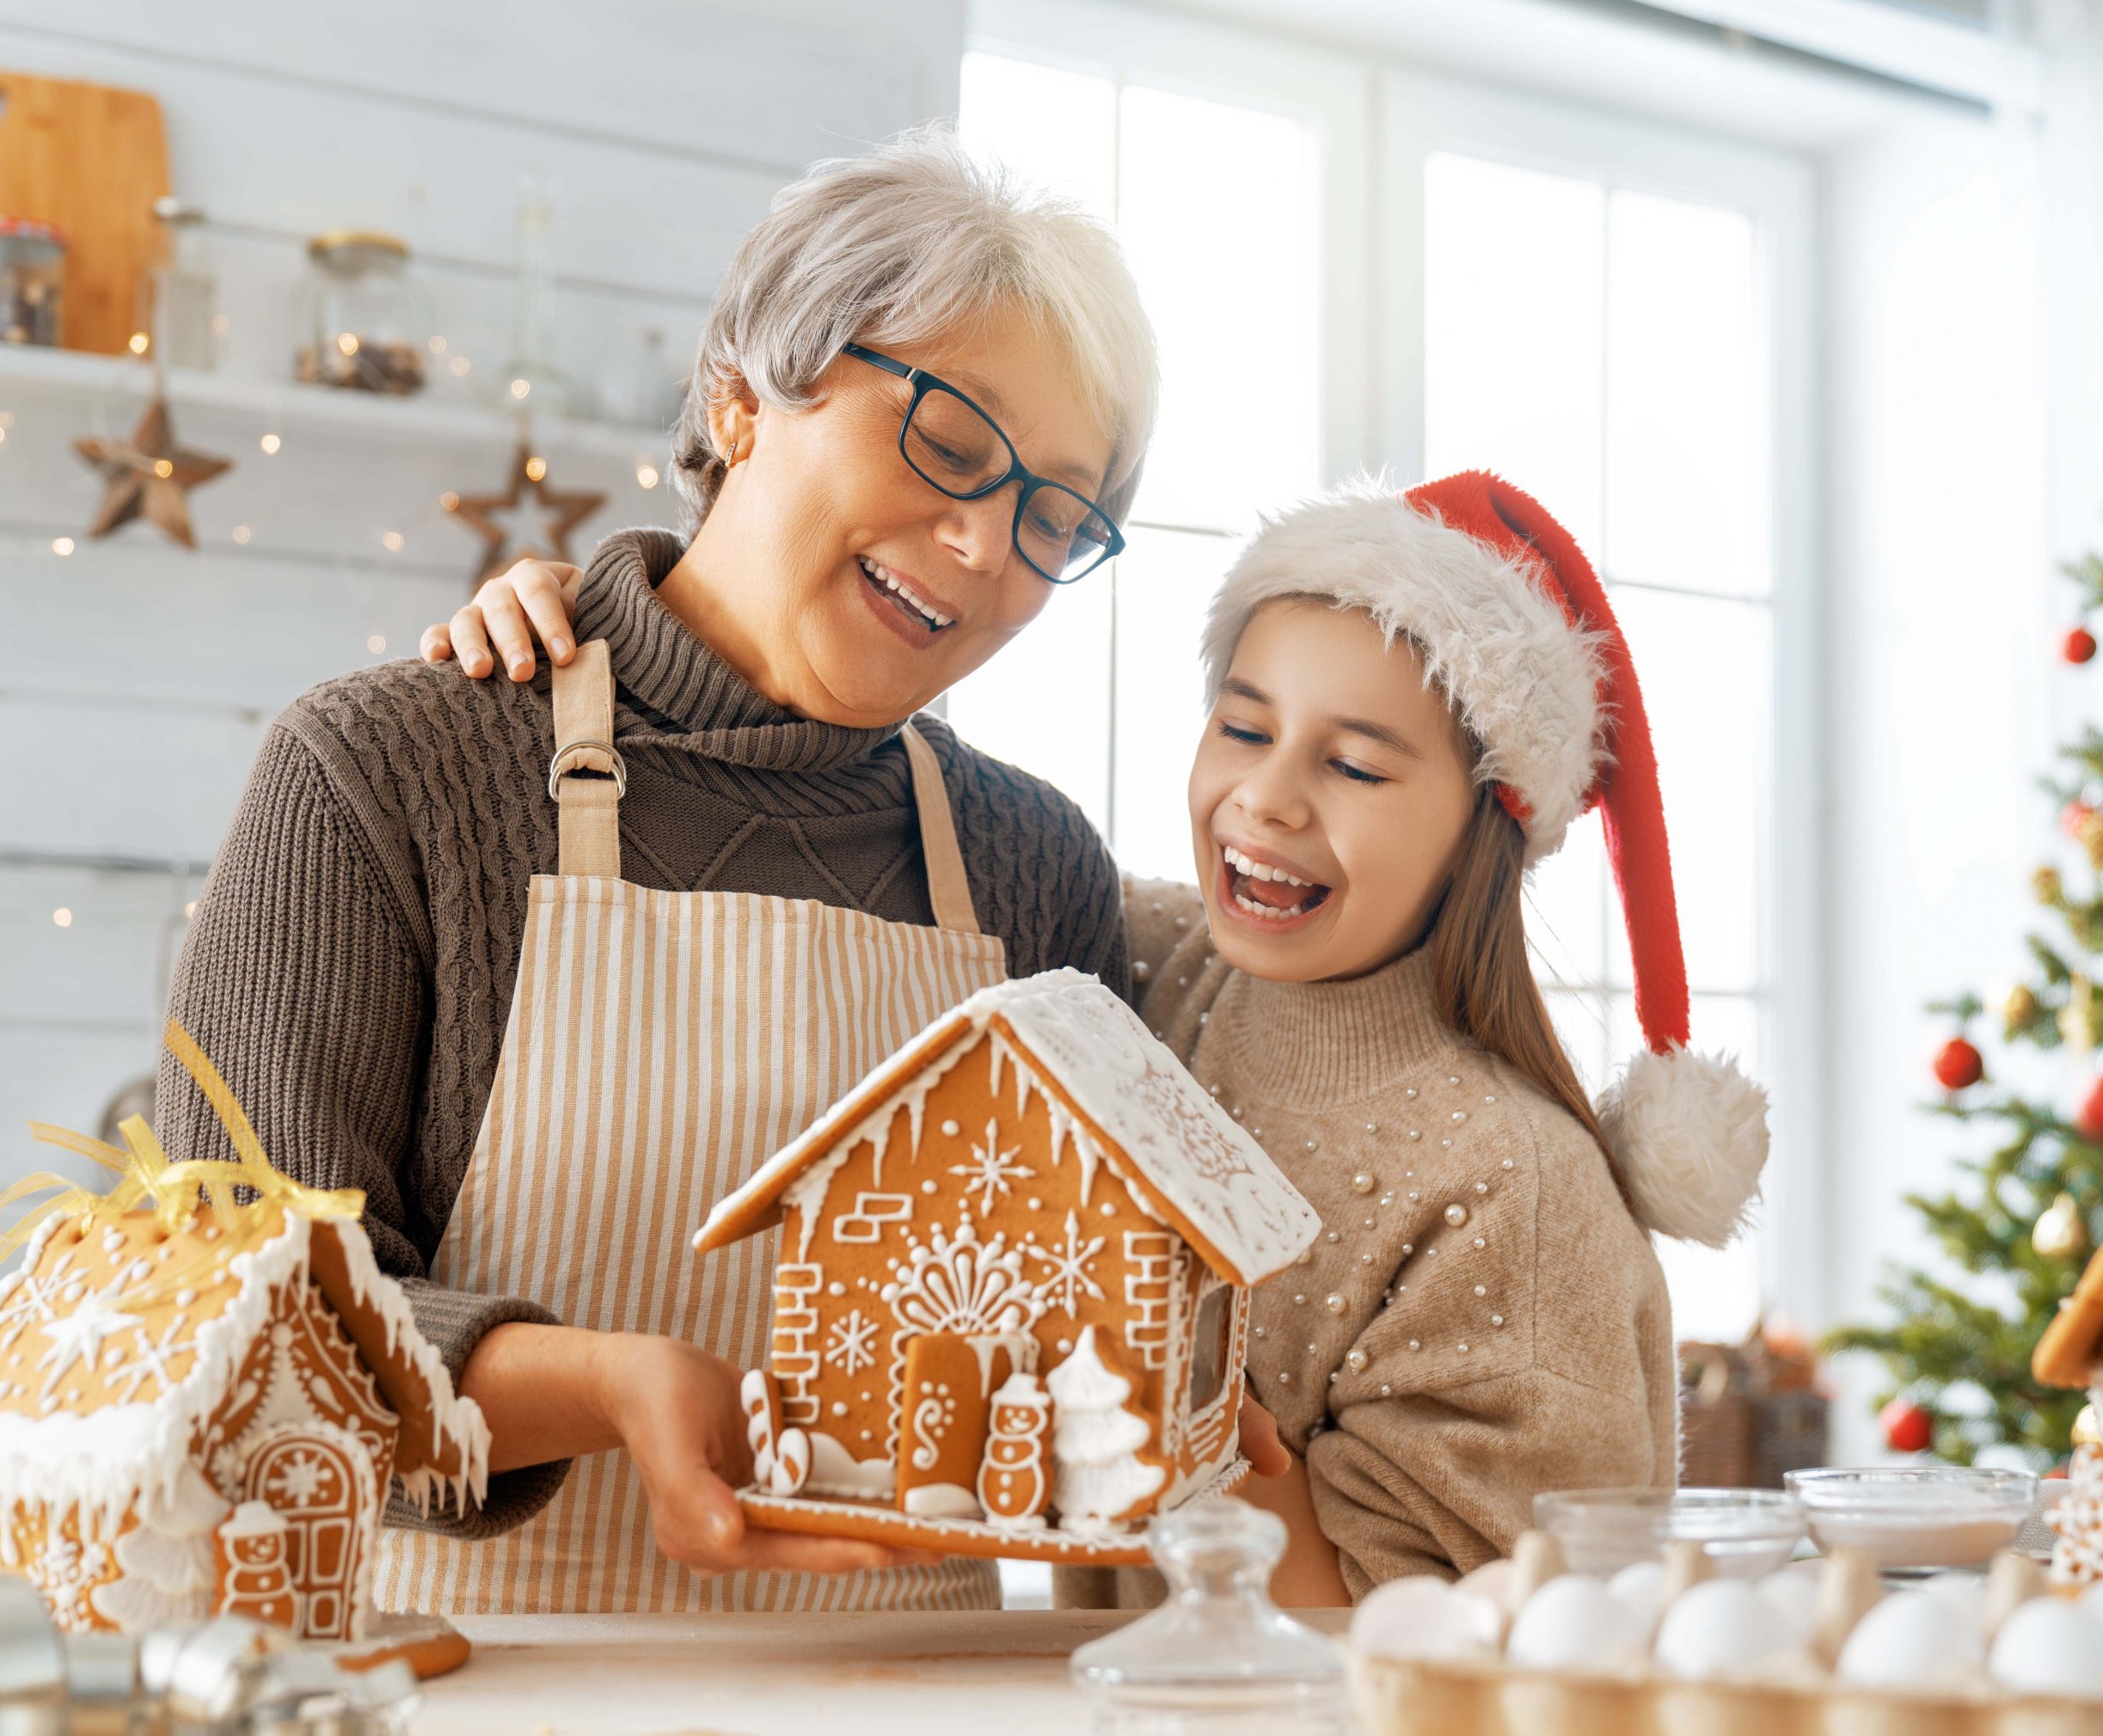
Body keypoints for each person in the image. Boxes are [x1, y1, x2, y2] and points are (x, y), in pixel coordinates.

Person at [156, 124, 1270, 1617]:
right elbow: (240, 1342)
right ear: (745, 396)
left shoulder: (1035, 868)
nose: (985, 542)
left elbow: (1086, 1336)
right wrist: (609, 1388)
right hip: (476, 1697)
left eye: (1055, 513)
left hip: (921, 1711)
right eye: (948, 439)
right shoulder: (396, 773)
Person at [446, 470, 1770, 1603]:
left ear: (1488, 822)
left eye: (1355, 767)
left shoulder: (1520, 1198)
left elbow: (1452, 1657)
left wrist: (1171, 1424)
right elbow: (849, 845)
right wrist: (618, 625)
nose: (1266, 799)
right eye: (1243, 727)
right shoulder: (1142, 963)